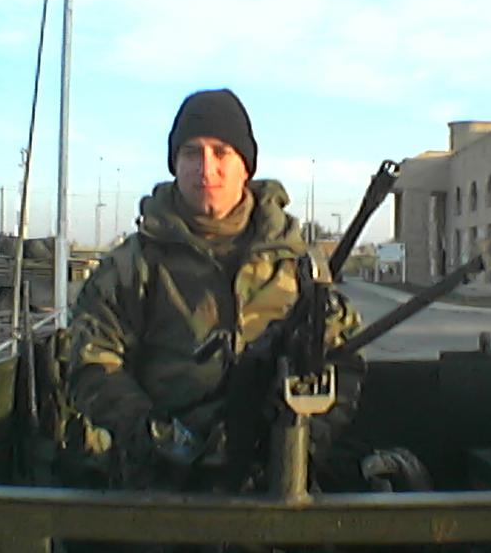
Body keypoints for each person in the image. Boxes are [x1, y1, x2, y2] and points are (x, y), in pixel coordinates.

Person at [63, 88, 364, 492]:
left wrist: (303, 442)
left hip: (278, 487)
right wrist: (154, 435)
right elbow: (90, 362)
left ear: (246, 167)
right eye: (192, 153)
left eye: (221, 152)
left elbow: (343, 360)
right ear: (175, 164)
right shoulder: (133, 266)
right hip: (160, 491)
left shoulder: (297, 266)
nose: (207, 169)